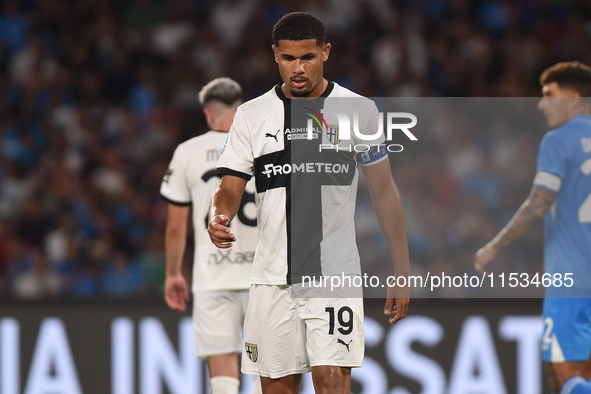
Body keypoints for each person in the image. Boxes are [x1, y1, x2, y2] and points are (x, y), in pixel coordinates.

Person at [208, 12, 410, 394]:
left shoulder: (358, 111)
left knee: (332, 379)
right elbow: (231, 185)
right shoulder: (251, 115)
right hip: (271, 278)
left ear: (326, 52)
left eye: (308, 57)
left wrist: (402, 269)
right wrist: (219, 214)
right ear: (275, 56)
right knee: (277, 387)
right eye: (288, 59)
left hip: (333, 274)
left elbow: (385, 191)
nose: (297, 68)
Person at [475, 61, 591, 394]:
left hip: (571, 281)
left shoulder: (559, 140)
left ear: (573, 97)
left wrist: (493, 247)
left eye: (548, 95)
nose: (541, 104)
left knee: (564, 379)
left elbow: (538, 204)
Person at [161, 77, 261, 394]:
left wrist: (174, 273)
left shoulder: (187, 152)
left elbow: (176, 225)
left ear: (208, 114)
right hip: (264, 275)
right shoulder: (264, 145)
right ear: (241, 108)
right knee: (269, 369)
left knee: (223, 372)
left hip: (213, 274)